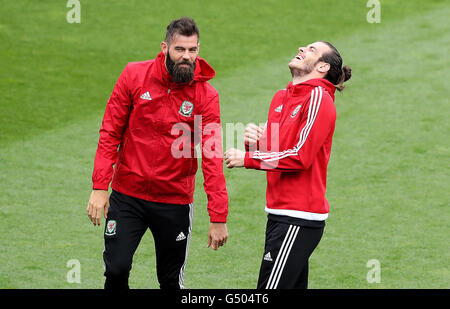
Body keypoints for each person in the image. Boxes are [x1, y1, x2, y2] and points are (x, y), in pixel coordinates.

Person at [86, 17, 229, 289]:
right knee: (116, 270)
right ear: (165, 48)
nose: (187, 57)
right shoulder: (134, 75)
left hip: (174, 201)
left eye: (193, 50)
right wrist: (99, 187)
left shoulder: (206, 96)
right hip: (128, 196)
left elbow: (212, 156)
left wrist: (218, 216)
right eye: (180, 50)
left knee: (170, 281)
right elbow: (110, 133)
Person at [225, 41, 351, 289]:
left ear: (323, 66)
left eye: (312, 50)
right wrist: (255, 144)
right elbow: (278, 153)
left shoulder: (318, 97)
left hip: (298, 217)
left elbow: (300, 156)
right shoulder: (281, 97)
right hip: (279, 213)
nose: (303, 49)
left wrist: (247, 159)